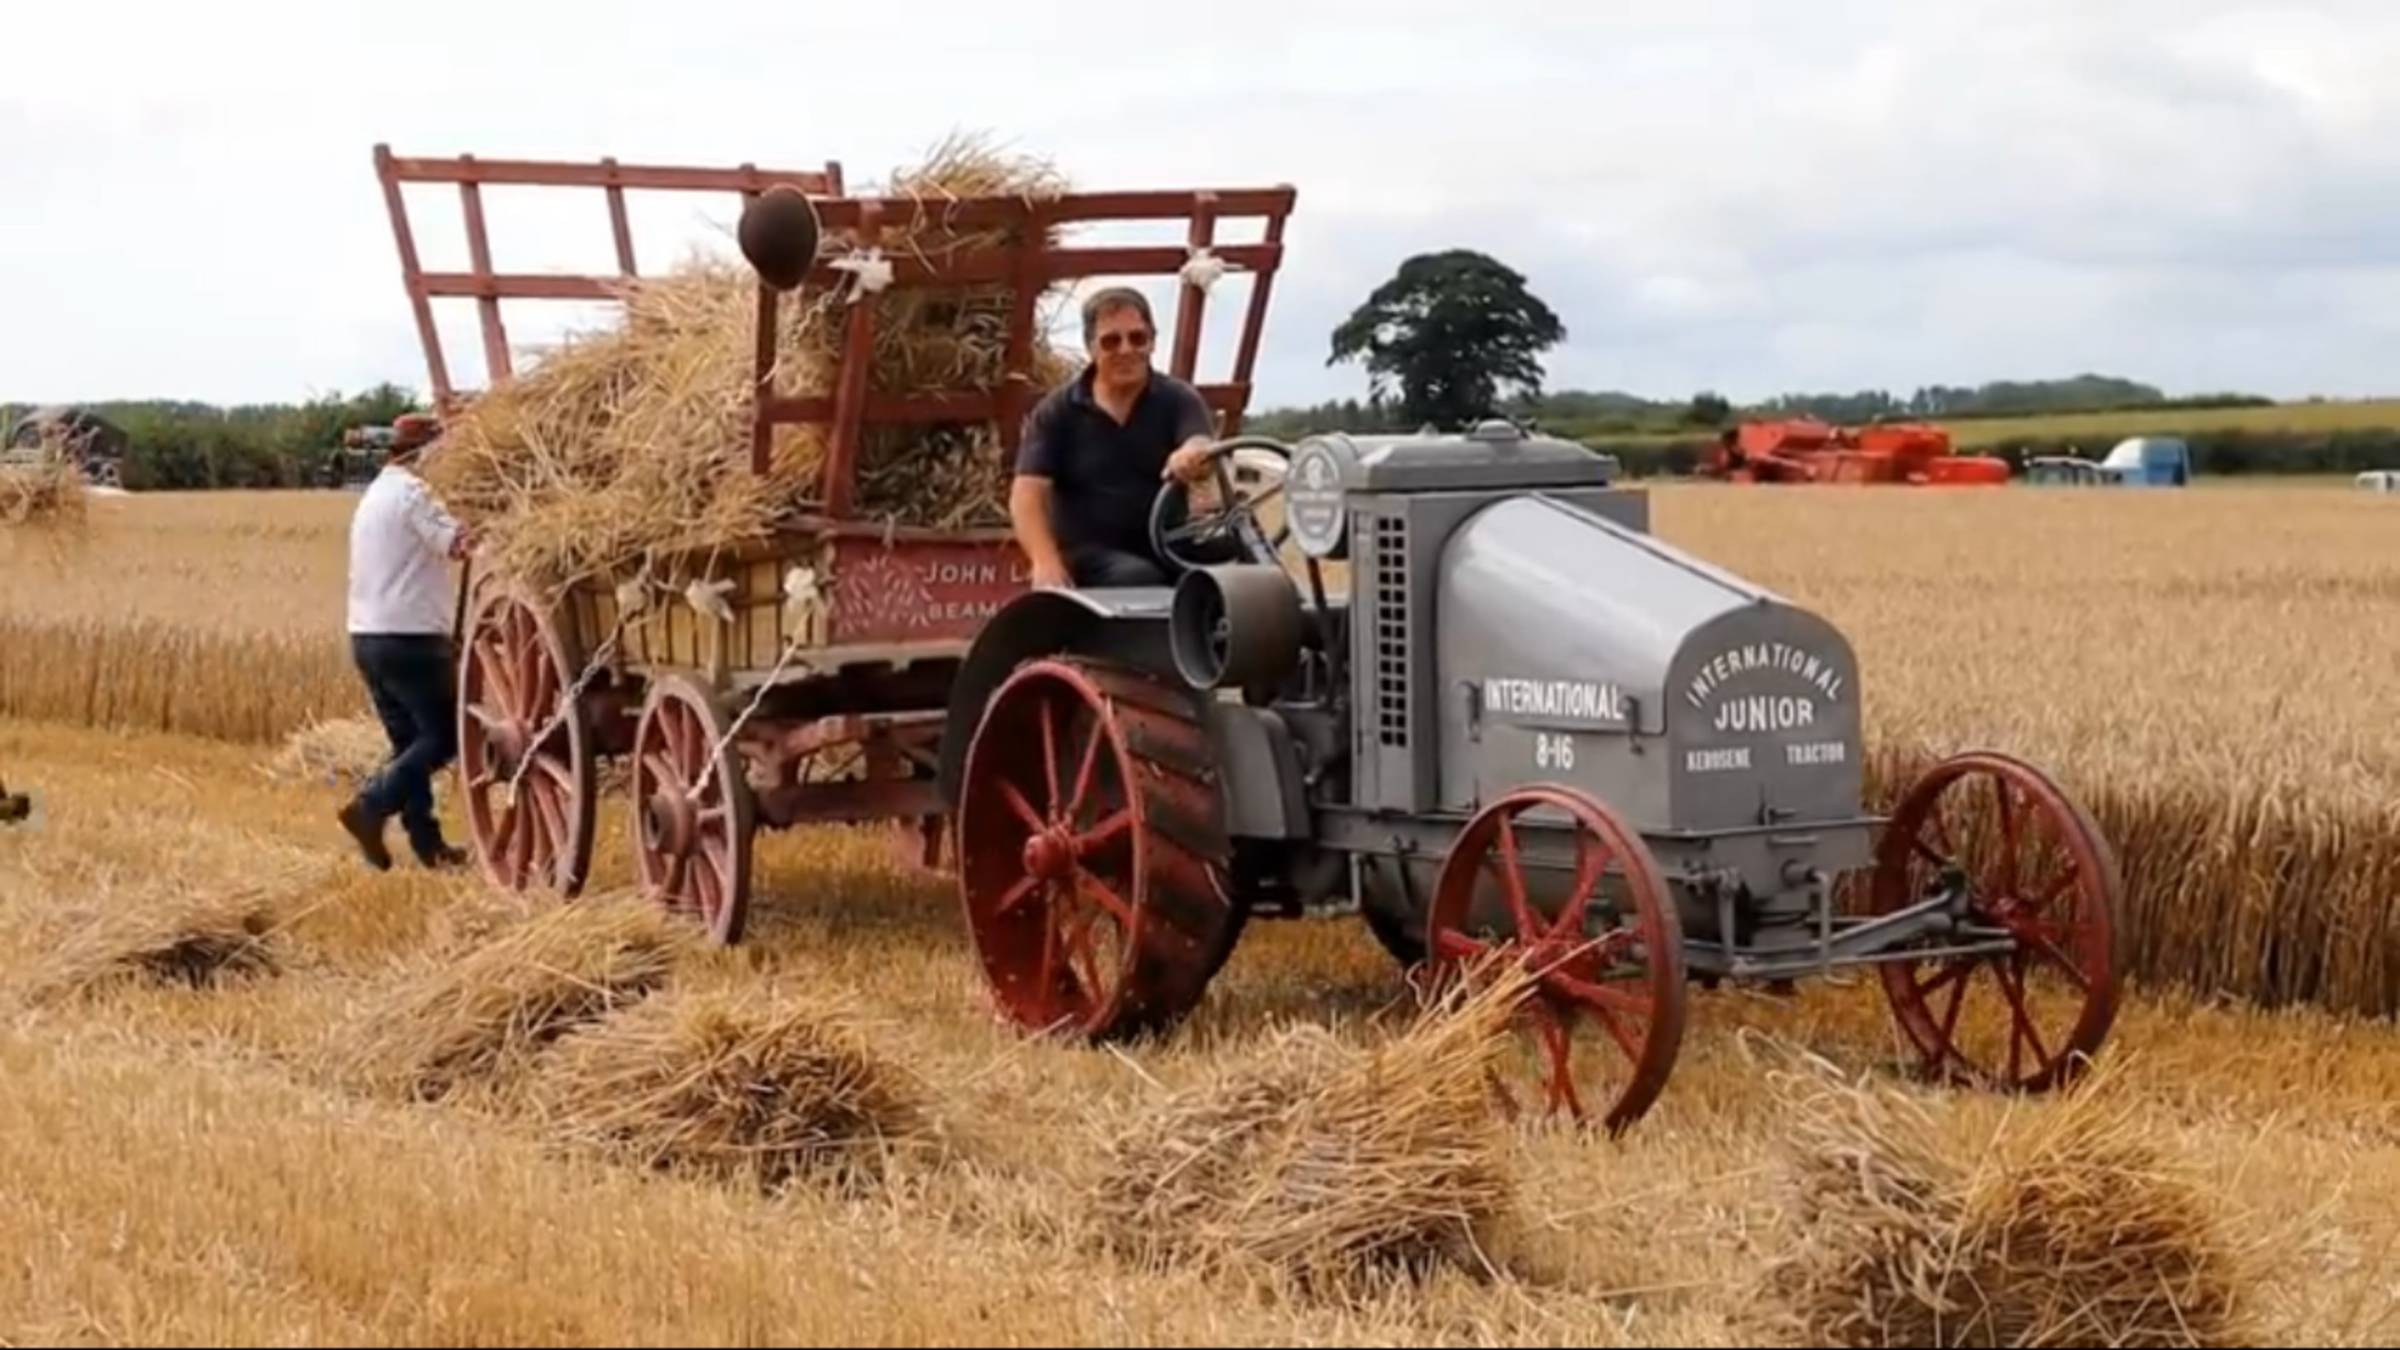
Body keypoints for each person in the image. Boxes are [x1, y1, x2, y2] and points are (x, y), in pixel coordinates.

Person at [1010, 287, 1223, 588]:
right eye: (1111, 341)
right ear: (1091, 348)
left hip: (1168, 542)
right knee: (1138, 577)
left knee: (1241, 561)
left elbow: (1200, 443)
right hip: (1091, 554)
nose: (1126, 350)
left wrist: (1191, 456)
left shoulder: (1179, 398)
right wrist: (1045, 562)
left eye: (1137, 338)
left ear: (1152, 342)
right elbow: (1027, 494)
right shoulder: (1057, 411)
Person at [337, 413, 471, 871]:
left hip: (367, 637)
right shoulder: (415, 493)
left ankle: (428, 846)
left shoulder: (375, 495)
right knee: (446, 735)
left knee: (409, 745)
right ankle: (371, 806)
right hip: (410, 637)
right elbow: (458, 545)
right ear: (426, 453)